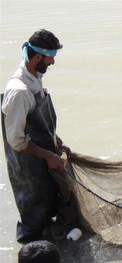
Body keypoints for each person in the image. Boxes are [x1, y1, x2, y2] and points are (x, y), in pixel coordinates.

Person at [1, 29, 75, 243]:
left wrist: (57, 143)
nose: (52, 61)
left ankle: (47, 245)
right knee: (32, 214)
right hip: (27, 166)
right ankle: (29, 250)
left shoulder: (35, 77)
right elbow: (15, 140)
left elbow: (39, 122)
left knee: (47, 203)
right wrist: (49, 156)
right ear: (37, 57)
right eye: (50, 56)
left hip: (42, 159)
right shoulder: (19, 91)